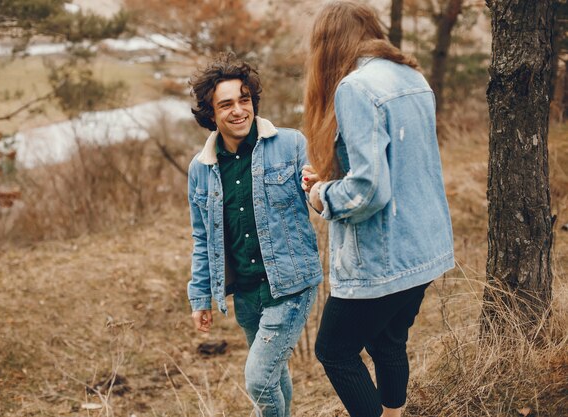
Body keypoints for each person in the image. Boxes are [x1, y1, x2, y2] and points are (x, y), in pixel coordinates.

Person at [301, 2, 455, 417]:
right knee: (387, 342)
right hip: (425, 249)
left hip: (383, 258)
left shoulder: (355, 87)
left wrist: (321, 196)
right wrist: (333, 173)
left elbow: (369, 190)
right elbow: (399, 166)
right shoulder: (412, 76)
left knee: (333, 351)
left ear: (329, 43)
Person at [186, 53, 322, 417]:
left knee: (259, 379)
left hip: (292, 284)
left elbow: (321, 202)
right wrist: (200, 296)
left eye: (244, 100)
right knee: (273, 375)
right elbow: (202, 238)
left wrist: (318, 189)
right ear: (210, 114)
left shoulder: (292, 144)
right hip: (246, 292)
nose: (238, 111)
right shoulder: (200, 169)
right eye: (226, 104)